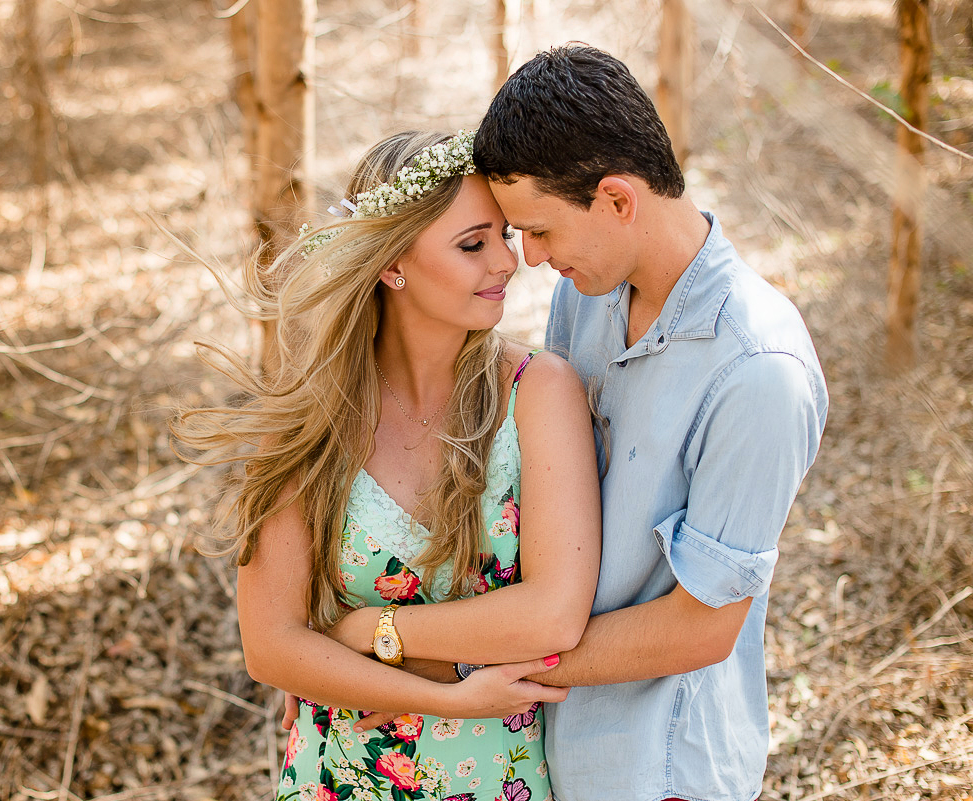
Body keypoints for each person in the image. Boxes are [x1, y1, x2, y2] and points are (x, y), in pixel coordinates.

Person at [171, 130, 601, 801]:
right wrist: (451, 697)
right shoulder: (313, 418)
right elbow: (271, 645)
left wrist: (364, 633)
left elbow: (553, 614)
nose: (508, 262)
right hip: (339, 775)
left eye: (506, 237)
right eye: (473, 243)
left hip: (492, 778)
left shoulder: (538, 394)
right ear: (393, 263)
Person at [465, 44, 829, 801]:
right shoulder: (588, 294)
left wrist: (484, 660)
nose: (528, 257)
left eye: (540, 230)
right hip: (547, 746)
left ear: (619, 199)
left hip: (661, 768)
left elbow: (700, 628)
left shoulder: (758, 369)